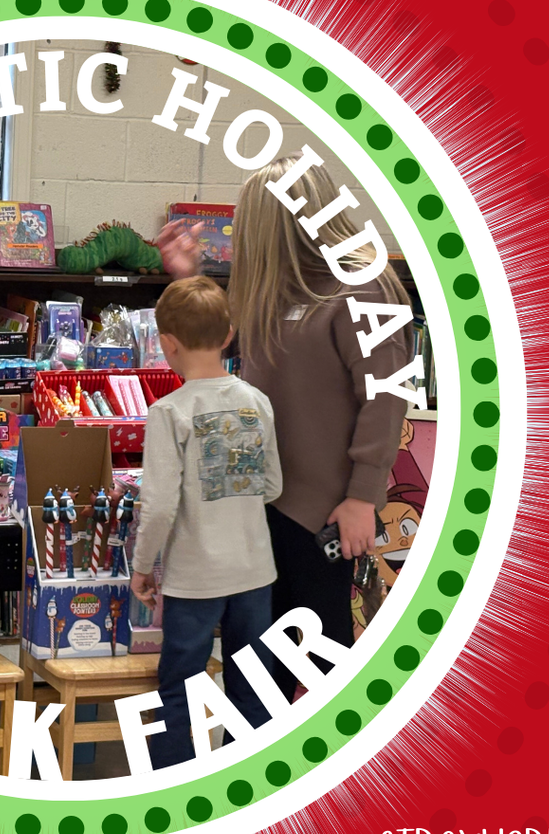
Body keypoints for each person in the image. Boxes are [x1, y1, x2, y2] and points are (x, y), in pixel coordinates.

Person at [155, 155, 413, 701]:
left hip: (321, 513)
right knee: (257, 668)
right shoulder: (280, 290)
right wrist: (191, 279)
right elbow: (223, 353)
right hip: (263, 504)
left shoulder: (363, 289)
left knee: (321, 660)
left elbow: (386, 399)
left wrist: (363, 497)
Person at [130, 276, 282, 769]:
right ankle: (250, 791)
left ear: (166, 343)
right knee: (253, 688)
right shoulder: (257, 401)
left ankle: (172, 788)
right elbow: (273, 485)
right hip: (254, 570)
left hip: (195, 577)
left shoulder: (169, 411)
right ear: (229, 335)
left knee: (181, 690)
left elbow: (158, 505)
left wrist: (142, 566)